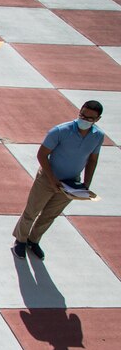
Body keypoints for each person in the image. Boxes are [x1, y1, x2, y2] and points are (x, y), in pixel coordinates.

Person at [12, 100, 105, 260]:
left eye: (90, 118)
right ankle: (20, 241)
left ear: (97, 119)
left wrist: (86, 184)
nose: (84, 120)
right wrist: (52, 178)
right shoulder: (61, 131)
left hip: (71, 184)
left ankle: (33, 240)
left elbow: (92, 160)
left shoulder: (98, 136)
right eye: (82, 115)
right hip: (47, 179)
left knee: (50, 214)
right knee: (31, 212)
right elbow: (42, 154)